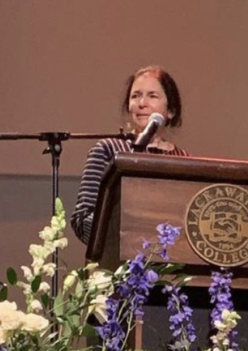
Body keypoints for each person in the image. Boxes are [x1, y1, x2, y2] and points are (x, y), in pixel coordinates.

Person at [70, 66, 192, 245]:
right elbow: (82, 219)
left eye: (152, 96)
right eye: (135, 96)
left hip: (170, 266)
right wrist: (121, 236)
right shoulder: (108, 150)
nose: (142, 103)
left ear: (171, 110)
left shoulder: (184, 160)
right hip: (117, 266)